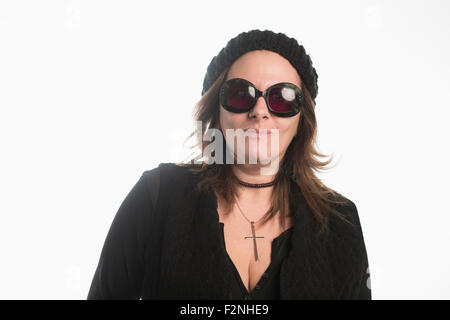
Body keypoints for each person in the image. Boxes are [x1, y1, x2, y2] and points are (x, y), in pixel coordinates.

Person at [87, 29, 372, 300]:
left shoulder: (341, 221)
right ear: (217, 111)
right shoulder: (157, 196)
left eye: (282, 98)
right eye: (240, 94)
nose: (259, 111)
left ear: (302, 120)